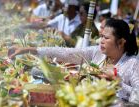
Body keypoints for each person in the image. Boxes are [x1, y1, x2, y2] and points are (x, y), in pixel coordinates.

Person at [8, 18, 139, 102]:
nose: (101, 41)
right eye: (101, 37)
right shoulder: (97, 53)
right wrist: (30, 49)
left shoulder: (132, 64)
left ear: (121, 42)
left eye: (106, 38)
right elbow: (67, 53)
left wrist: (118, 83)